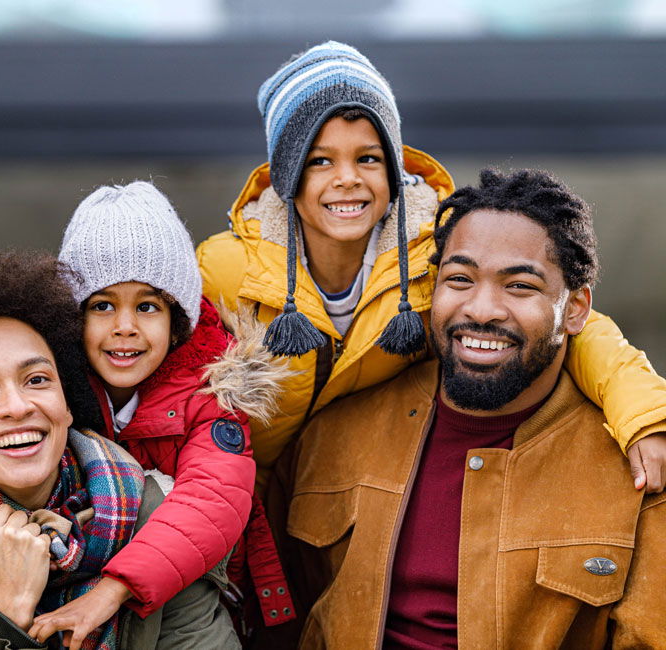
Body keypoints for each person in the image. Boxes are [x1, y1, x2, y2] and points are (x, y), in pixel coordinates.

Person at [195, 41, 666, 498]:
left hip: (350, 489)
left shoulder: (435, 251)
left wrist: (645, 415)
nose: (348, 178)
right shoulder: (225, 269)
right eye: (319, 160)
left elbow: (571, 327)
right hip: (234, 494)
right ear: (287, 175)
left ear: (394, 170)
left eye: (369, 158)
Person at [283, 169, 666, 649]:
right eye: (459, 279)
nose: (482, 309)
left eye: (520, 286)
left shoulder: (639, 470)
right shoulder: (335, 432)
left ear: (575, 309)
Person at [0, 183, 289, 643]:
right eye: (102, 305)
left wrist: (112, 590)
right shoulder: (49, 384)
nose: (124, 328)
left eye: (147, 306)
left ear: (177, 319)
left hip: (190, 585)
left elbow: (211, 505)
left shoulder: (208, 396)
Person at [0, 244, 240, 649]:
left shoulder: (157, 521)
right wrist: (6, 610)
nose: (16, 406)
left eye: (37, 380)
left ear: (68, 403)